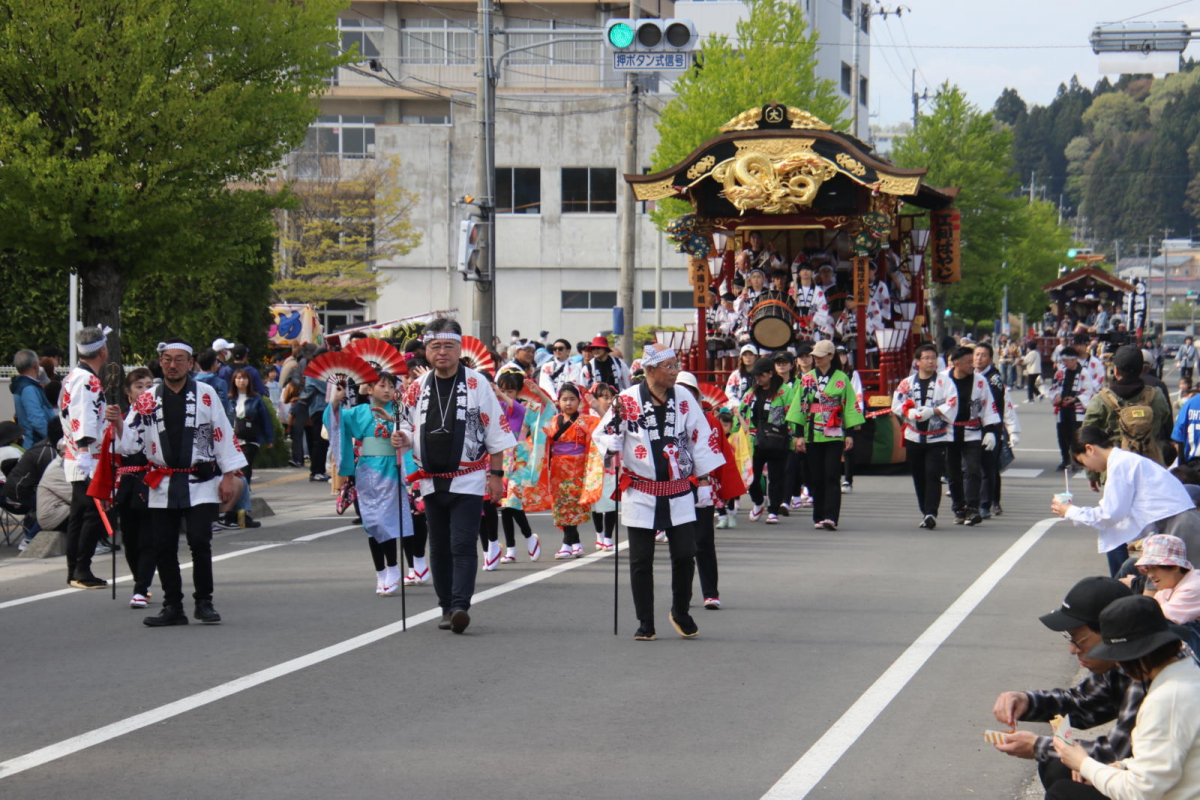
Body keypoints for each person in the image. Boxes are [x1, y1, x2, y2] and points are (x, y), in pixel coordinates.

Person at [592, 343, 725, 641]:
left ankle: (680, 610)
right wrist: (610, 448)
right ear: (649, 370)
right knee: (641, 560)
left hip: (678, 489)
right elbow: (604, 435)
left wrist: (704, 482)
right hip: (641, 489)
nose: (676, 372)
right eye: (670, 367)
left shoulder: (685, 401)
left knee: (684, 554)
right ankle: (645, 621)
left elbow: (699, 439)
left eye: (676, 365)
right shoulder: (626, 400)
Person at [112, 338, 247, 627]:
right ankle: (173, 605)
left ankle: (204, 602)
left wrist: (227, 476)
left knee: (200, 542)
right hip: (161, 481)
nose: (172, 365)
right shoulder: (147, 398)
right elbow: (130, 443)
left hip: (200, 480)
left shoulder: (206, 393)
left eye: (179, 359)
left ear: (190, 363)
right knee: (163, 545)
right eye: (166, 359)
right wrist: (118, 423)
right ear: (160, 362)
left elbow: (222, 435)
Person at [396, 318, 516, 634]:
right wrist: (403, 439)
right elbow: (407, 426)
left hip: (469, 476)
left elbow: (496, 433)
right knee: (437, 544)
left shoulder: (478, 384)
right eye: (435, 346)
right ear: (426, 350)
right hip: (429, 478)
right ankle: (446, 606)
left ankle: (461, 605)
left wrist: (496, 476)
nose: (442, 352)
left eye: (449, 346)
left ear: (459, 348)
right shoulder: (417, 388)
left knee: (462, 542)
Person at [990, 577, 1139, 792]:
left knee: (1064, 789)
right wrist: (1026, 701)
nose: (1072, 649)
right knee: (1057, 766)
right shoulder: (1122, 663)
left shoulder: (1147, 675)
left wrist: (1038, 746)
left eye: (1077, 638)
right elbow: (1082, 704)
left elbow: (1117, 752)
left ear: (1110, 632)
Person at [1051, 595, 1200, 800]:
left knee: (1062, 793)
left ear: (1137, 655)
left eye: (1120, 657)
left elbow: (1141, 791)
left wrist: (1083, 763)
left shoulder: (1166, 700)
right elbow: (1163, 760)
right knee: (1064, 779)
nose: (1119, 665)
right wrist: (1119, 766)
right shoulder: (1189, 673)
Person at [1052, 426, 1200, 577]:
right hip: (1176, 523)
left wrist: (1070, 511)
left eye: (1083, 462)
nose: (1088, 468)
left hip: (1178, 525)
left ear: (1090, 449)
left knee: (1185, 582)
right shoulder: (1124, 460)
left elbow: (1109, 515)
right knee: (1176, 582)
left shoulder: (1120, 465)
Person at [333, 371, 410, 597]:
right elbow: (335, 423)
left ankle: (393, 567)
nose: (387, 390)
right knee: (371, 523)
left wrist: (396, 423)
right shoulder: (358, 412)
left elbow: (411, 431)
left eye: (390, 386)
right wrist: (335, 403)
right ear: (368, 389)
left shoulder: (399, 410)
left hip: (392, 469)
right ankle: (380, 571)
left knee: (386, 521)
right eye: (381, 385)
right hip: (367, 470)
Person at [676, 371, 745, 611]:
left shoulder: (711, 420)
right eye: (679, 390)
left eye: (689, 391)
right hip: (676, 486)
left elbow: (721, 456)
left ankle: (710, 592)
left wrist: (722, 486)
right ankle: (681, 594)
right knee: (681, 545)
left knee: (704, 540)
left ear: (696, 395)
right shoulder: (666, 420)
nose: (684, 395)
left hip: (703, 486)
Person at [59, 325, 121, 589]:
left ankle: (75, 569)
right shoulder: (88, 381)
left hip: (77, 453)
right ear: (103, 352)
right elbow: (82, 416)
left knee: (80, 513)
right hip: (86, 456)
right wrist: (85, 451)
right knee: (94, 514)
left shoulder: (73, 376)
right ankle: (81, 569)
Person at [786, 339, 865, 531]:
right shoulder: (807, 379)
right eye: (815, 356)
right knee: (816, 476)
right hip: (812, 433)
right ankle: (818, 516)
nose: (816, 360)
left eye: (820, 356)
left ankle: (831, 516)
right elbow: (799, 406)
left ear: (831, 356)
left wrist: (849, 433)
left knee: (831, 474)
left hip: (835, 432)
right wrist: (798, 435)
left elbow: (849, 405)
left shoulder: (841, 378)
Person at [892, 343, 955, 529]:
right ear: (917, 362)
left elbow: (952, 403)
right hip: (914, 435)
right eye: (926, 358)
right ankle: (924, 510)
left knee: (932, 474)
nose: (930, 362)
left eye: (933, 358)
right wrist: (908, 412)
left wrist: (934, 411)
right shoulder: (907, 383)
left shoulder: (945, 382)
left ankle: (931, 512)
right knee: (918, 475)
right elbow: (896, 403)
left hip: (937, 436)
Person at [536, 383, 601, 560]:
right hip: (557, 470)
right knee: (561, 505)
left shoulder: (586, 421)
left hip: (577, 469)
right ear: (559, 402)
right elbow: (541, 436)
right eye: (564, 399)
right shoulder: (553, 420)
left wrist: (597, 407)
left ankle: (568, 543)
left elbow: (606, 426)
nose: (568, 403)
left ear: (579, 402)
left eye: (572, 399)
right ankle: (574, 543)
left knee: (572, 505)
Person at [111, 369, 159, 608]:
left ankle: (142, 588)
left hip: (151, 478)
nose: (146, 391)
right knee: (129, 538)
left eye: (150, 385)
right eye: (139, 386)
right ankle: (140, 581)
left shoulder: (158, 416)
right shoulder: (123, 416)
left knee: (148, 538)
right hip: (127, 481)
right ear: (129, 393)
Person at [1083, 345, 1172, 470]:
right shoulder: (1156, 396)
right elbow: (1164, 419)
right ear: (1142, 369)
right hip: (1150, 466)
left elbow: (1087, 437)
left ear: (1116, 370)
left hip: (1114, 469)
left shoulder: (1101, 400)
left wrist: (1092, 473)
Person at [941, 346, 1000, 526]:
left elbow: (989, 405)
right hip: (949, 432)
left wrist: (990, 430)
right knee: (953, 472)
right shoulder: (943, 380)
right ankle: (958, 507)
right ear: (956, 363)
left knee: (973, 470)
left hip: (972, 431)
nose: (972, 364)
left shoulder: (980, 381)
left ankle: (972, 508)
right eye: (968, 361)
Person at [737, 357, 792, 525]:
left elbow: (792, 414)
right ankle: (759, 501)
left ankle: (773, 510)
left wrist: (794, 436)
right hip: (754, 441)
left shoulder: (784, 391)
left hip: (777, 438)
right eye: (756, 376)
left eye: (761, 375)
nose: (758, 379)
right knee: (750, 476)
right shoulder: (752, 392)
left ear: (770, 373)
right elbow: (741, 411)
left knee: (776, 477)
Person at [1134, 534, 1200, 653]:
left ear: (1175, 567)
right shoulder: (1168, 587)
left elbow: (1159, 616)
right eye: (1148, 569)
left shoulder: (1193, 587)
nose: (1150, 575)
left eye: (1155, 568)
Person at [975, 344, 1019, 519]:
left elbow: (997, 404)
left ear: (990, 359)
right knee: (973, 467)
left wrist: (1007, 429)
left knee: (989, 467)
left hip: (990, 427)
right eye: (976, 354)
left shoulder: (994, 379)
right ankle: (978, 501)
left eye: (983, 355)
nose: (979, 358)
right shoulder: (970, 375)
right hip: (972, 427)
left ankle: (987, 503)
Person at [1050, 347, 1093, 472]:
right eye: (1063, 361)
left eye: (1066, 360)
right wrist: (1056, 396)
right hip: (1062, 409)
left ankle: (1077, 461)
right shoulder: (1060, 372)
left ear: (1074, 360)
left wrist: (1075, 399)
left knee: (1076, 436)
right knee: (1062, 435)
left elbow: (1088, 392)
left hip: (1076, 409)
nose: (1064, 363)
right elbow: (1053, 388)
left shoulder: (1084, 373)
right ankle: (1065, 459)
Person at [11, 349, 53, 449]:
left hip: (33, 442)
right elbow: (36, 419)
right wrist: (54, 438)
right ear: (35, 365)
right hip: (37, 443)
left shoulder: (21, 385)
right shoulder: (29, 388)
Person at [194, 348, 233, 422]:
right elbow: (222, 406)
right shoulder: (220, 383)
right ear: (214, 364)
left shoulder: (192, 381)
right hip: (214, 423)